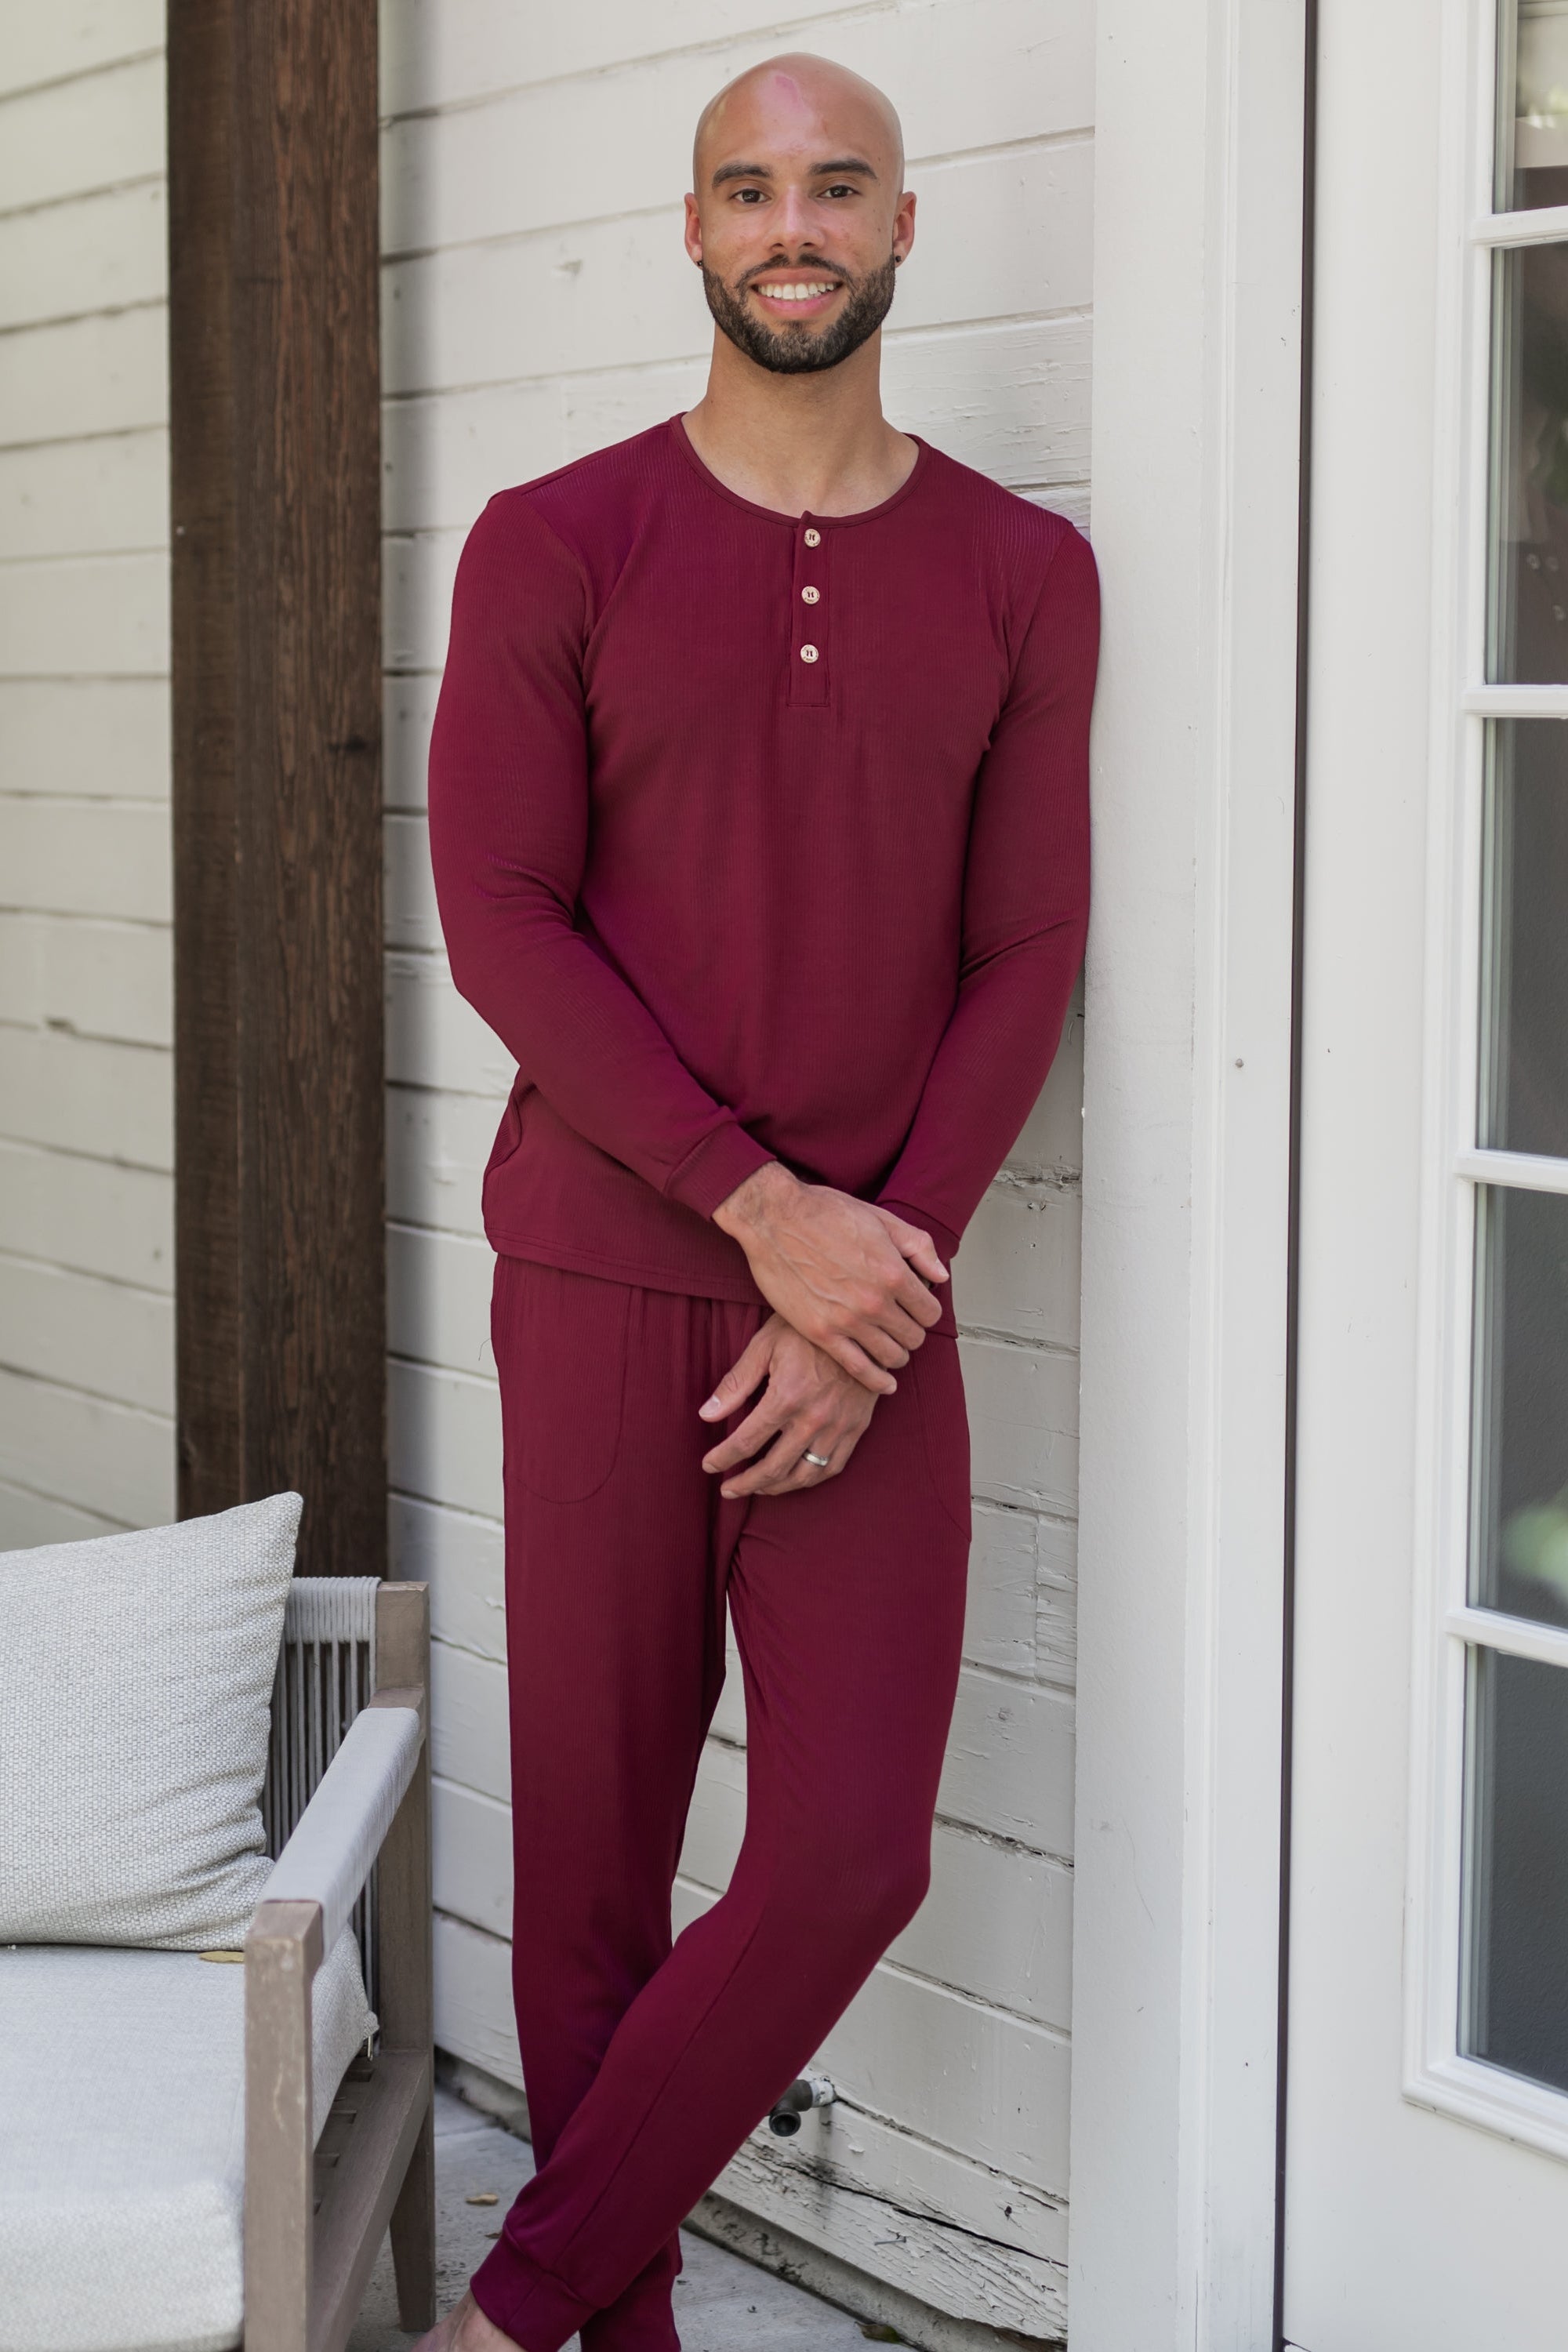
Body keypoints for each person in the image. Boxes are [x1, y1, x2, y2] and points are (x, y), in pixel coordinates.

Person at [418, 50, 1098, 2352]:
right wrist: (750, 1209)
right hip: (605, 1282)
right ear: (691, 235)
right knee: (592, 1872)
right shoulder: (556, 536)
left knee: (845, 1859)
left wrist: (855, 1280)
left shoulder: (1025, 572)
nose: (792, 224)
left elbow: (1026, 952)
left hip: (870, 1319)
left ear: (907, 227)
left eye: (837, 186)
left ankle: (508, 2316)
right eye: (748, 188)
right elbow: (500, 911)